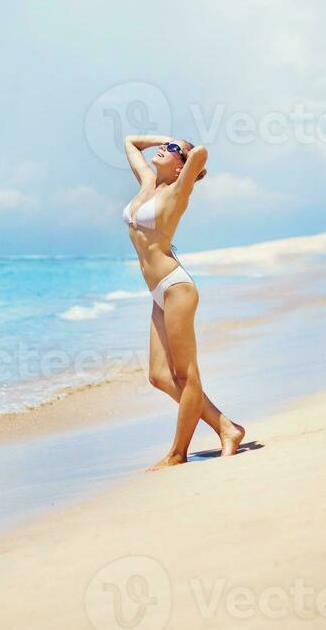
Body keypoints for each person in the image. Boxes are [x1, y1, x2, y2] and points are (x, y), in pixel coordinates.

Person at [123, 134, 244, 469]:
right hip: (157, 291)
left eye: (173, 150)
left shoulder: (179, 191)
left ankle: (178, 453)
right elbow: (131, 142)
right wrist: (169, 142)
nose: (164, 149)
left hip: (176, 288)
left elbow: (202, 153)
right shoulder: (148, 182)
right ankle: (226, 427)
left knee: (184, 375)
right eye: (166, 146)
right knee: (159, 376)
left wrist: (185, 153)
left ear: (180, 168)